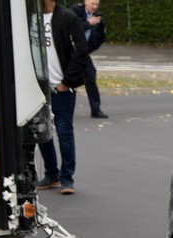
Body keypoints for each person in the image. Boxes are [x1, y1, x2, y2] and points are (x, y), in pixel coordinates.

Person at [37, 0, 89, 195]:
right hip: (38, 87)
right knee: (41, 131)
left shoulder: (68, 18)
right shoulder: (31, 18)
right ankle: (52, 174)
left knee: (64, 131)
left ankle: (67, 179)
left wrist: (67, 82)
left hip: (62, 88)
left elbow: (81, 51)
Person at [70, 0, 107, 118]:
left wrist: (100, 26)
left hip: (82, 52)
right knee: (66, 79)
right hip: (68, 50)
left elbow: (100, 38)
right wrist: (88, 23)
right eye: (92, 3)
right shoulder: (75, 10)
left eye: (97, 4)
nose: (95, 6)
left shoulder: (97, 17)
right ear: (86, 2)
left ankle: (95, 109)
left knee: (90, 76)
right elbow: (71, 27)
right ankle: (59, 108)